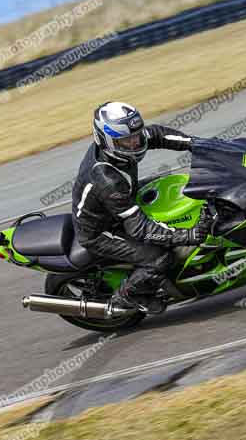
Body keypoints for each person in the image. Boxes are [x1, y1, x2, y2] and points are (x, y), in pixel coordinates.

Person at [71, 101, 210, 316]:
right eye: (126, 141)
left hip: (121, 201)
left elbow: (156, 134)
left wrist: (198, 144)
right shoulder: (107, 179)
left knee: (175, 185)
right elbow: (140, 229)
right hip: (101, 230)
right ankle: (127, 296)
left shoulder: (121, 143)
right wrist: (187, 235)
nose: (135, 143)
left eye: (135, 135)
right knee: (160, 257)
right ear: (106, 140)